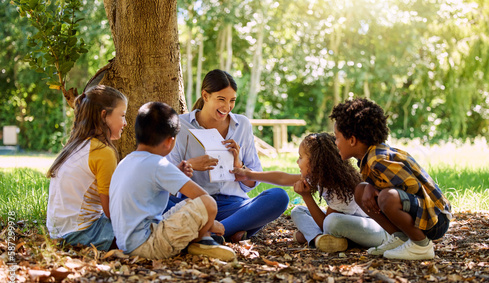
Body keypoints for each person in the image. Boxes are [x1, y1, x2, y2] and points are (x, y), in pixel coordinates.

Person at [167, 69, 289, 243]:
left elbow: (253, 181)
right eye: (221, 99)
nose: (227, 107)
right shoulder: (181, 125)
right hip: (196, 204)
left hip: (234, 205)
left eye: (232, 100)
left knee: (279, 197)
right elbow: (167, 176)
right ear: (205, 95)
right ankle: (230, 232)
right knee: (156, 200)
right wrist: (191, 165)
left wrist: (240, 167)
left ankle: (211, 234)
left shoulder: (242, 125)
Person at [109, 102, 236, 261]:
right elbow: (202, 197)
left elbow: (147, 192)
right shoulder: (158, 164)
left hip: (126, 244)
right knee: (208, 204)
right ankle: (201, 240)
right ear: (170, 141)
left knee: (185, 205)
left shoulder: (126, 161)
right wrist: (211, 224)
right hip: (148, 246)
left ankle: (199, 239)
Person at [329, 98, 452, 260]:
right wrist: (371, 186)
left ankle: (421, 246)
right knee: (361, 190)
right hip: (423, 212)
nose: (335, 143)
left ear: (352, 140)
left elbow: (412, 186)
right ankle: (401, 237)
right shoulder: (369, 158)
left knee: (388, 197)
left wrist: (375, 187)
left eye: (337, 138)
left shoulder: (378, 159)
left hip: (435, 217)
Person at [232, 132, 389, 253]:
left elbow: (326, 224)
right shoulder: (320, 176)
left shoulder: (341, 188)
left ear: (315, 163)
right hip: (342, 225)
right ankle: (318, 239)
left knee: (332, 221)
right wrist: (249, 174)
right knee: (298, 210)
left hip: (375, 231)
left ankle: (327, 238)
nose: (297, 162)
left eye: (300, 157)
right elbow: (282, 177)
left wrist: (306, 197)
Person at [46, 85, 128, 251]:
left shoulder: (76, 145)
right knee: (142, 228)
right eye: (123, 115)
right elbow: (112, 211)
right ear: (104, 115)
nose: (125, 123)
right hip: (81, 235)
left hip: (58, 233)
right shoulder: (103, 152)